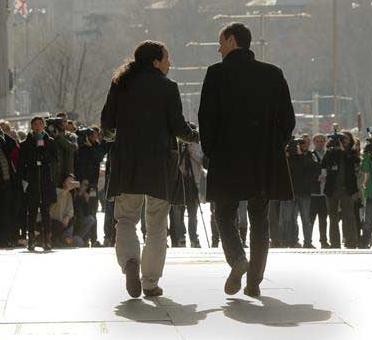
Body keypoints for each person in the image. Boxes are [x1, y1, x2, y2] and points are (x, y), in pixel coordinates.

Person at [198, 23, 295, 298]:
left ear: (232, 40)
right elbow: (288, 120)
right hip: (263, 160)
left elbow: (207, 118)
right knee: (259, 218)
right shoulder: (273, 74)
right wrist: (274, 147)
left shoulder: (216, 74)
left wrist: (211, 152)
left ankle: (238, 259)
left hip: (227, 159)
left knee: (224, 214)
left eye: (221, 41)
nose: (218, 48)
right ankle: (254, 281)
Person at [101, 40, 199, 298]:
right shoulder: (168, 87)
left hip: (126, 162)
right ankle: (150, 282)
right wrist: (195, 136)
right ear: (156, 61)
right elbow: (178, 128)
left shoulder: (120, 84)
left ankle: (129, 262)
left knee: (125, 219)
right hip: (159, 164)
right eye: (167, 57)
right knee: (157, 225)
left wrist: (120, 138)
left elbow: (107, 124)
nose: (170, 62)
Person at [18, 116, 58, 251]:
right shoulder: (25, 143)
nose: (38, 126)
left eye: (40, 124)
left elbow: (54, 159)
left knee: (46, 211)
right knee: (32, 212)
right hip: (32, 181)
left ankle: (47, 239)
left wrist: (43, 154)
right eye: (35, 124)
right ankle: (32, 239)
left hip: (46, 181)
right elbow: (21, 164)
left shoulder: (50, 142)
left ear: (44, 126)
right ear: (32, 126)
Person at [322, 131, 360, 249]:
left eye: (346, 139)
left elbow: (355, 162)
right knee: (333, 217)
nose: (344, 141)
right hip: (332, 189)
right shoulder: (330, 152)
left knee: (349, 216)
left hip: (347, 189)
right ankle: (335, 243)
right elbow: (324, 164)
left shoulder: (352, 153)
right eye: (341, 139)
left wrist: (343, 150)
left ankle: (351, 242)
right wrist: (334, 148)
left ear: (350, 141)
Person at [310, 134, 329, 248]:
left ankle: (324, 240)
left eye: (322, 141)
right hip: (314, 192)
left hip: (325, 192)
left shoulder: (328, 155)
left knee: (323, 219)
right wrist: (316, 177)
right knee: (310, 218)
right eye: (317, 141)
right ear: (314, 142)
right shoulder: (310, 155)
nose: (320, 143)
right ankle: (308, 240)